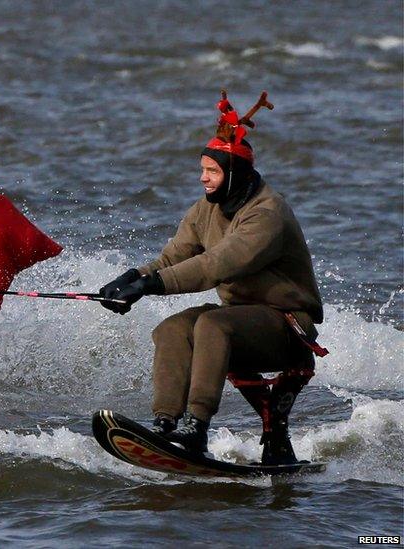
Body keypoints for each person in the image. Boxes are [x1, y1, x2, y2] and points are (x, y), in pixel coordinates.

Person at [99, 91, 325, 465]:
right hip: (240, 319)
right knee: (171, 329)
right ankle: (166, 425)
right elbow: (174, 256)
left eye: (212, 171)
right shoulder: (207, 208)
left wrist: (149, 287)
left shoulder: (266, 213)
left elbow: (216, 265)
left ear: (234, 173)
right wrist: (130, 278)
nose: (203, 178)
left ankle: (196, 426)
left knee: (211, 325)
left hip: (287, 326)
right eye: (202, 169)